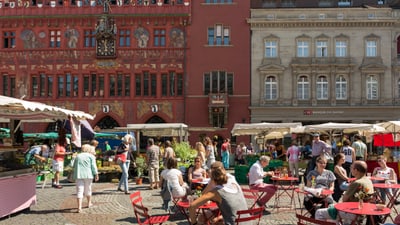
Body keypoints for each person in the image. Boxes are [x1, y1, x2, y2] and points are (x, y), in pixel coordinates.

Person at [71, 144, 99, 213]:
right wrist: (96, 174)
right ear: (88, 149)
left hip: (78, 175)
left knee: (79, 191)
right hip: (88, 175)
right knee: (88, 189)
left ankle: (79, 207)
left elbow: (72, 165)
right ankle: (89, 203)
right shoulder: (91, 156)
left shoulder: (78, 156)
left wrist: (73, 158)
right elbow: (93, 166)